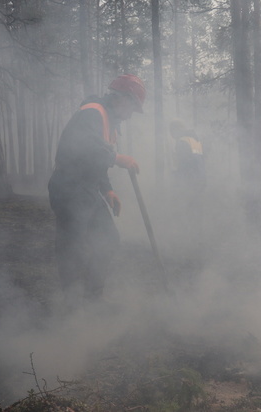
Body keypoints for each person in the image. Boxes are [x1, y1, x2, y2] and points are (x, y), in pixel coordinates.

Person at [48, 74, 145, 308]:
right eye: (133, 108)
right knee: (72, 246)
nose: (131, 114)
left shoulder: (107, 121)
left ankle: (93, 294)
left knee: (109, 240)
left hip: (88, 189)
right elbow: (83, 148)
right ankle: (71, 302)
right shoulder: (92, 112)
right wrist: (117, 157)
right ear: (123, 99)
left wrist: (108, 190)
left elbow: (95, 161)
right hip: (69, 188)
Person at [169, 118, 206, 268]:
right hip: (200, 182)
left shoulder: (182, 141)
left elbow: (184, 165)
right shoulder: (195, 140)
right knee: (196, 212)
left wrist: (176, 178)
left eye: (171, 131)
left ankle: (189, 247)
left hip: (190, 183)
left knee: (188, 213)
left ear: (175, 130)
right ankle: (197, 244)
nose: (171, 135)